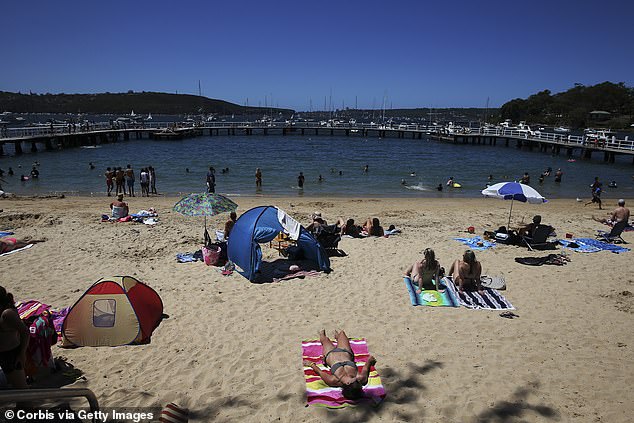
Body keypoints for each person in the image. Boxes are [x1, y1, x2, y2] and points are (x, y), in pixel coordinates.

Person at [303, 329, 376, 400]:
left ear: (347, 383)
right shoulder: (361, 378)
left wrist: (311, 364)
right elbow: (367, 366)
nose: (358, 381)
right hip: (345, 351)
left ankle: (322, 333)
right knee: (342, 333)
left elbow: (320, 372)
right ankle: (337, 338)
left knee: (325, 339)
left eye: (355, 381)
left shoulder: (333, 380)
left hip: (330, 353)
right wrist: (370, 360)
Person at [0, 286, 29, 388]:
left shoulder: (7, 314)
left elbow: (25, 332)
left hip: (12, 355)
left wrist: (22, 353)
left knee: (21, 389)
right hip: (4, 355)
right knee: (16, 387)